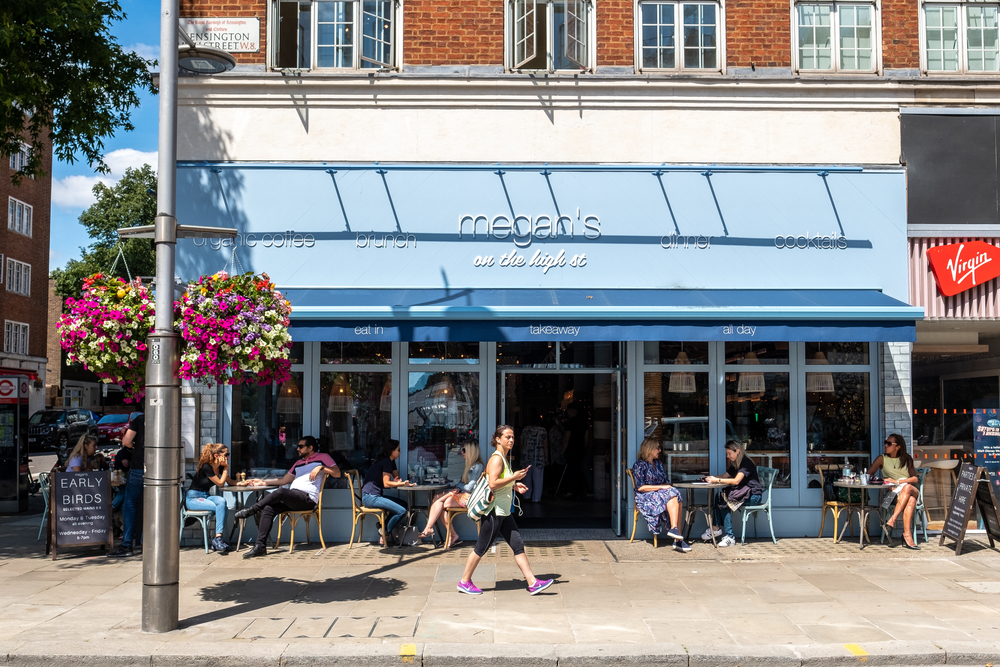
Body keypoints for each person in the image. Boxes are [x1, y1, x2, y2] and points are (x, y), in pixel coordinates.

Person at [457, 425, 554, 596]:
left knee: (518, 545)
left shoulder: (503, 457)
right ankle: (464, 581)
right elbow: (493, 483)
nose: (511, 440)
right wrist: (514, 477)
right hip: (494, 512)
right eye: (507, 437)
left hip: (503, 512)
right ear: (497, 439)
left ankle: (532, 582)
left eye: (513, 437)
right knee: (481, 548)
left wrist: (514, 485)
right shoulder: (497, 459)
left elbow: (500, 481)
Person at [235, 435, 341, 558]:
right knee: (269, 508)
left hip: (307, 499)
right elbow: (284, 480)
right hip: (293, 497)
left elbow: (337, 473)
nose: (298, 449)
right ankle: (260, 547)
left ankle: (253, 510)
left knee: (281, 492)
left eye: (301, 446)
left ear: (310, 447)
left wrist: (321, 467)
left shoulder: (323, 457)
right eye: (298, 446)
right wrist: (263, 482)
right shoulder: (298, 463)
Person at [419, 442, 484, 547]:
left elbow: (469, 487)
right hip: (464, 495)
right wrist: (458, 486)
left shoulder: (477, 466)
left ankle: (430, 528)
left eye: (464, 450)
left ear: (471, 452)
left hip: (470, 497)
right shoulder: (471, 465)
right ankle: (449, 534)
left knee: (440, 502)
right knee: (437, 499)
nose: (461, 452)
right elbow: (464, 484)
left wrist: (458, 486)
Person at [631, 438, 691, 552]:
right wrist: (662, 487)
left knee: (677, 496)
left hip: (661, 494)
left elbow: (665, 482)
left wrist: (665, 487)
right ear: (649, 449)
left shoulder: (658, 464)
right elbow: (640, 488)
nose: (659, 450)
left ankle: (675, 533)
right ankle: (677, 539)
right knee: (673, 494)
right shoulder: (639, 465)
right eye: (657, 448)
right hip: (645, 496)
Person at [867, 433, 921, 550]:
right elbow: (868, 475)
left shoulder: (906, 459)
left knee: (907, 488)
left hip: (910, 489)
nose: (886, 445)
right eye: (885, 443)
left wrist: (897, 481)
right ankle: (907, 536)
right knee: (910, 501)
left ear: (898, 447)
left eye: (889, 443)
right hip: (894, 494)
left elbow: (915, 479)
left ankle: (893, 518)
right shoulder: (882, 459)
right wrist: (882, 479)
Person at [703, 440, 762, 548]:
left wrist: (717, 480)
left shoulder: (746, 463)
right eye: (727, 453)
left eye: (729, 453)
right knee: (719, 496)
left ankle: (730, 537)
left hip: (754, 496)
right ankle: (715, 529)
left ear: (738, 451)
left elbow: (736, 481)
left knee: (725, 501)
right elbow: (725, 476)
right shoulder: (735, 463)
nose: (728, 456)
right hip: (745, 494)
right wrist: (712, 478)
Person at [361, 440, 415, 546]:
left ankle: (383, 527)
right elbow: (386, 484)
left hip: (374, 496)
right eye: (398, 450)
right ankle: (385, 532)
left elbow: (396, 476)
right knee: (402, 511)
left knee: (404, 504)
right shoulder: (386, 461)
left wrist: (397, 480)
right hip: (370, 497)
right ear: (392, 451)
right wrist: (402, 483)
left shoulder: (390, 461)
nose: (400, 452)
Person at [108, 413, 144, 558]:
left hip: (139, 467)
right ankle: (148, 541)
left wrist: (135, 447)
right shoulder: (167, 416)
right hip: (159, 469)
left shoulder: (140, 419)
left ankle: (127, 544)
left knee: (130, 504)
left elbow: (126, 440)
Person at [186, 443, 233, 552]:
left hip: (206, 496)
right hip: (193, 499)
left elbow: (229, 482)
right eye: (226, 454)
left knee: (222, 501)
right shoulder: (206, 466)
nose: (228, 457)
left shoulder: (219, 468)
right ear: (217, 455)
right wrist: (226, 468)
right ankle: (218, 539)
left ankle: (218, 539)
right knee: (221, 506)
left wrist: (241, 483)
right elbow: (221, 484)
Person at [519, 422, 548, 502]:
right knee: (538, 479)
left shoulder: (525, 430)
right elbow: (545, 445)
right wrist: (546, 457)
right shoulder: (542, 430)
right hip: (538, 456)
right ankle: (536, 498)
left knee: (526, 477)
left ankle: (526, 495)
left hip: (526, 455)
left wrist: (522, 452)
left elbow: (521, 443)